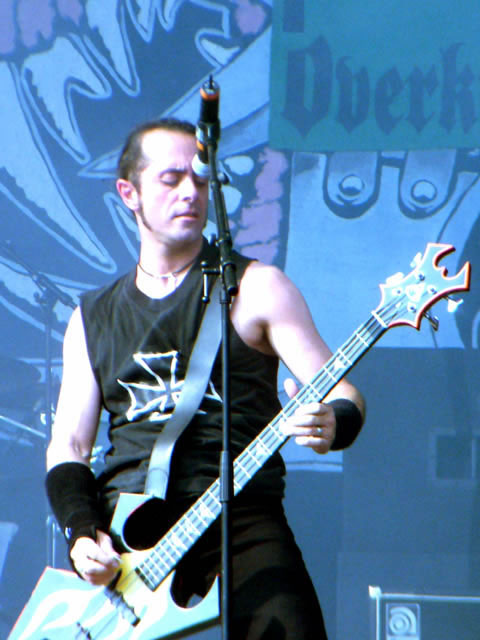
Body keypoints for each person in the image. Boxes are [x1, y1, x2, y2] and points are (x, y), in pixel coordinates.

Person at [45, 118, 365, 640]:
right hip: (128, 532)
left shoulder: (259, 288)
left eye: (200, 179)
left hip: (240, 514)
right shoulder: (92, 317)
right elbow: (70, 446)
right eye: (170, 179)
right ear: (129, 193)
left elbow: (344, 392)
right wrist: (82, 534)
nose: (190, 193)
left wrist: (334, 420)